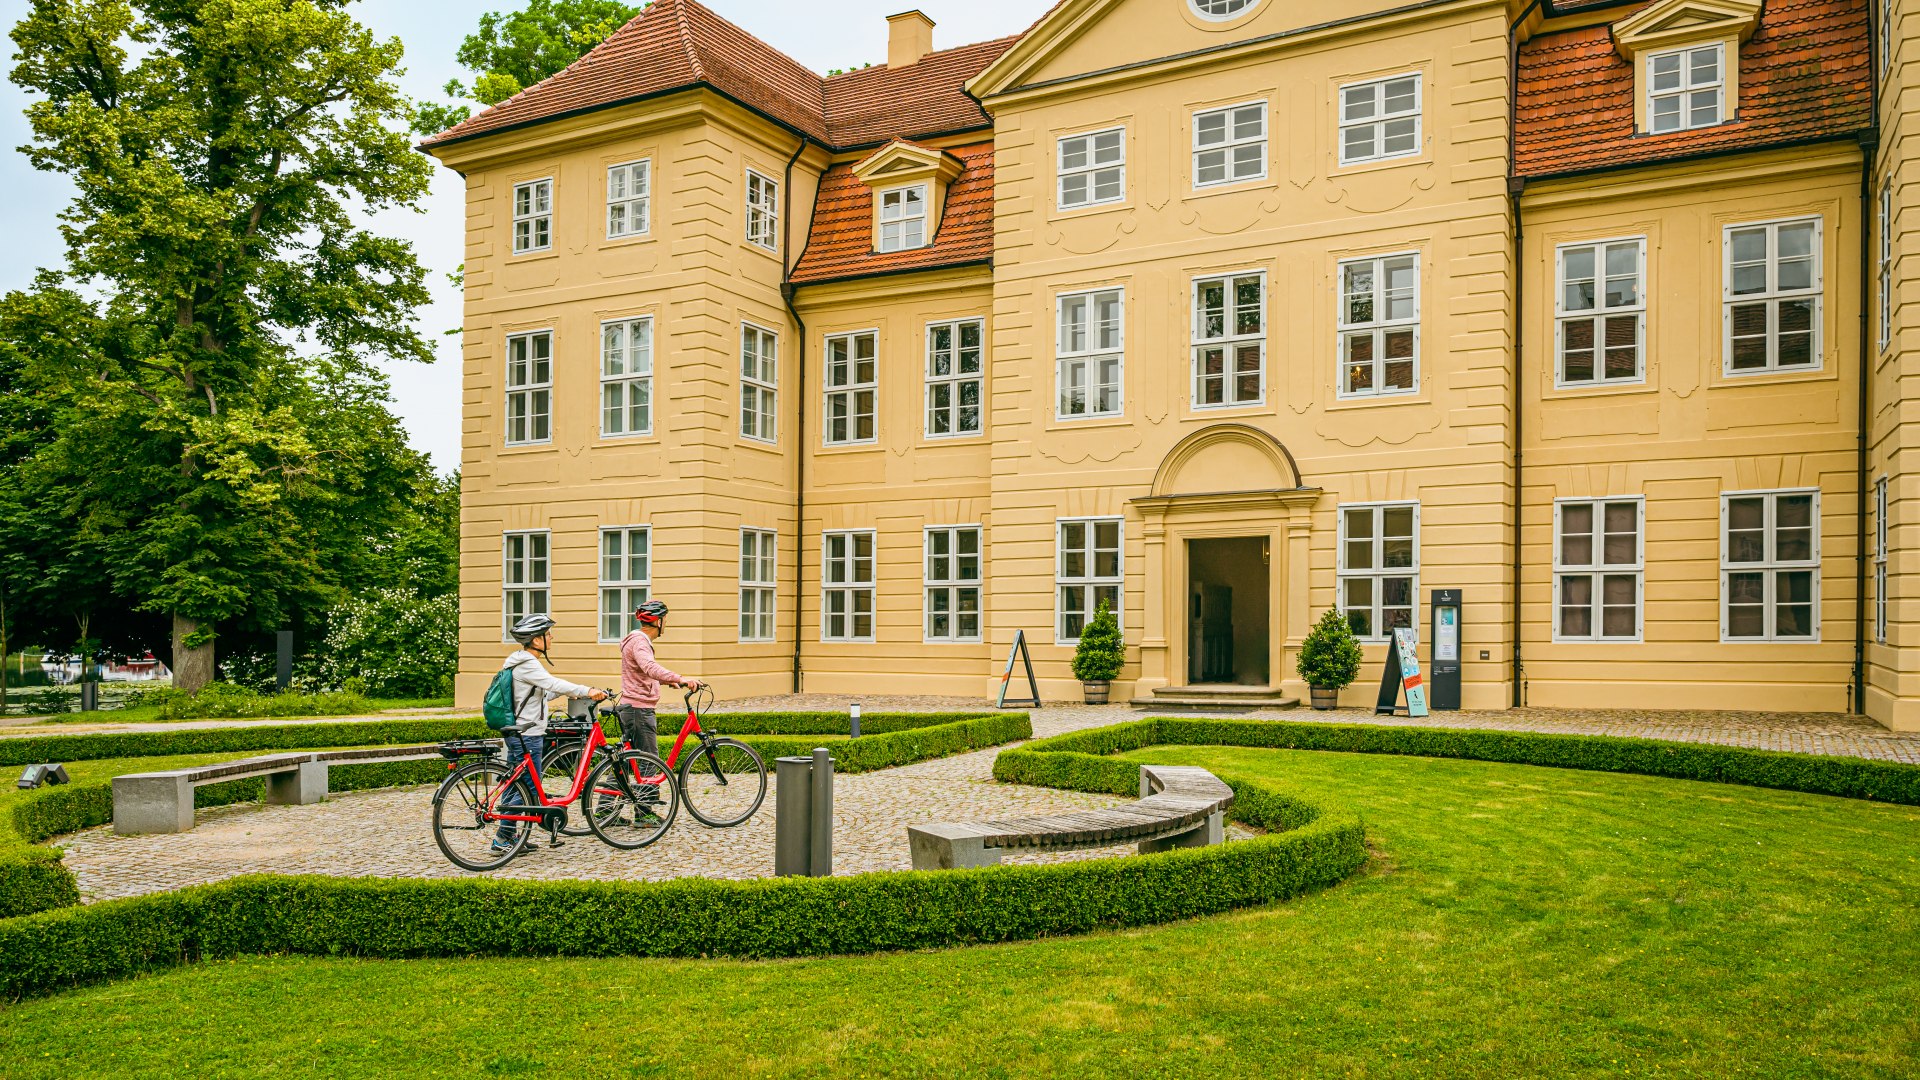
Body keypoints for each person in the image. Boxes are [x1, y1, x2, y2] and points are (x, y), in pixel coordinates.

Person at [497, 613, 606, 852]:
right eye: (547, 634)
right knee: (529, 788)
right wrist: (587, 689)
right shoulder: (528, 663)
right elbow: (552, 683)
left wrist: (571, 693)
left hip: (519, 732)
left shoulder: (517, 661)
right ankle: (504, 837)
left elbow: (542, 694)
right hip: (529, 735)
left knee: (516, 785)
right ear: (536, 640)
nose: (551, 637)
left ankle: (507, 836)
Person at [617, 600, 703, 762]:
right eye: (665, 621)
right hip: (639, 710)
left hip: (631, 708)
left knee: (626, 762)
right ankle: (649, 789)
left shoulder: (636, 641)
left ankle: (611, 786)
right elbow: (649, 667)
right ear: (658, 621)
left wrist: (665, 681)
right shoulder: (640, 642)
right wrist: (680, 678)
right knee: (649, 762)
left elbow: (640, 672)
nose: (666, 625)